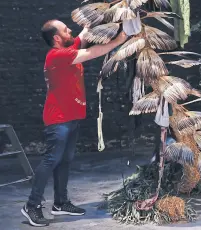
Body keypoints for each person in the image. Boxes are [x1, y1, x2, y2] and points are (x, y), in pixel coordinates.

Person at [21, 19, 127, 227]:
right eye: (65, 29)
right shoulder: (57, 56)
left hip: (71, 117)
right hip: (58, 119)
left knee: (64, 160)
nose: (70, 30)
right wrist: (120, 40)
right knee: (51, 160)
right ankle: (31, 205)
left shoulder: (67, 50)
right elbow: (91, 52)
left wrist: (98, 18)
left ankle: (60, 202)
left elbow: (83, 37)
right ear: (57, 38)